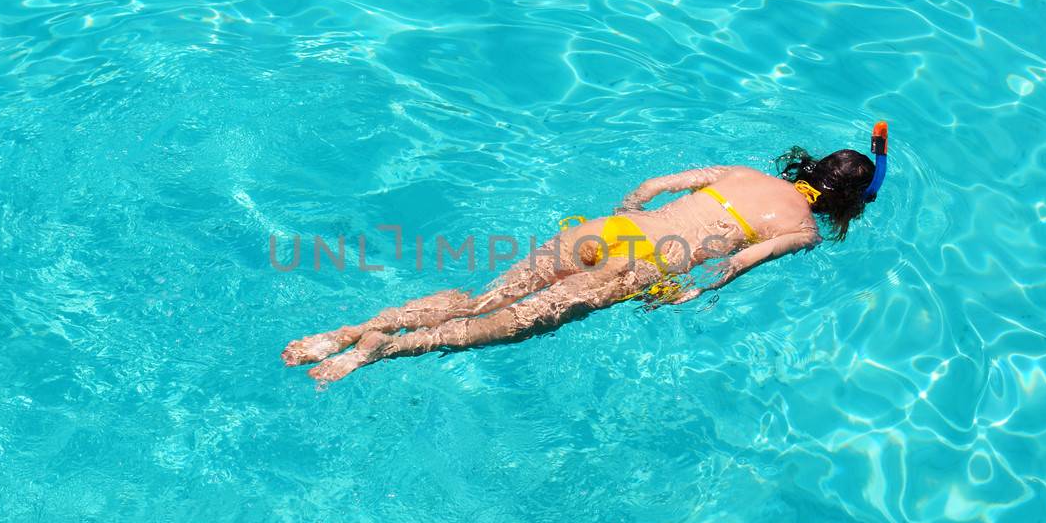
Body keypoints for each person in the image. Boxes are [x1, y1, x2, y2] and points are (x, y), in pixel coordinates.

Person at [284, 124, 888, 382]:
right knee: (499, 328)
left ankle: (351, 330)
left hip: (607, 231)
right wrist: (690, 293)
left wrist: (634, 203)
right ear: (849, 201)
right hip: (640, 267)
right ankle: (380, 352)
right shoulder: (802, 230)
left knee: (481, 297)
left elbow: (654, 187)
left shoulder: (744, 172)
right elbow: (733, 265)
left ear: (808, 166)